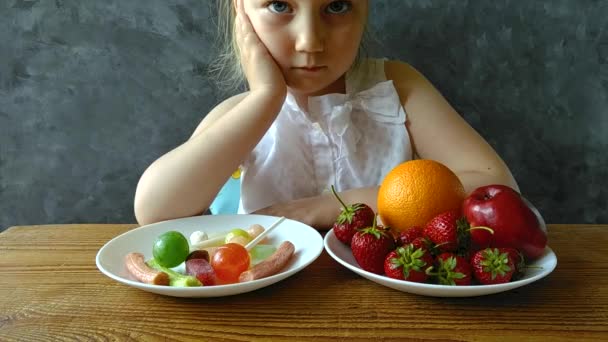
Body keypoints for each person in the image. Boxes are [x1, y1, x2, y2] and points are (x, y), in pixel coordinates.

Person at [134, 0, 518, 229]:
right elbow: (154, 211)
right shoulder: (243, 113)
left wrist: (329, 205)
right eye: (280, 5)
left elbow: (495, 187)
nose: (310, 42)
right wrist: (266, 98)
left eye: (336, 6)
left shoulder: (396, 87)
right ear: (241, 13)